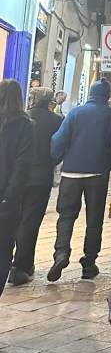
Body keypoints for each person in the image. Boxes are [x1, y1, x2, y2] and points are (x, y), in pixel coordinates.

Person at [47, 77, 111, 281]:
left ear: (90, 93)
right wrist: (108, 164)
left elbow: (58, 139)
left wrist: (58, 157)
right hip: (97, 175)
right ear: (107, 96)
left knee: (66, 215)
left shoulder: (75, 113)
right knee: (94, 218)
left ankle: (61, 252)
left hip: (70, 173)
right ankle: (89, 263)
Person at [7, 87, 62, 286]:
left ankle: (15, 263)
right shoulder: (57, 120)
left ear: (32, 99)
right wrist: (52, 162)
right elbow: (60, 147)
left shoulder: (23, 118)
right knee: (31, 222)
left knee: (15, 219)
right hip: (41, 178)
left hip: (19, 178)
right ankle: (21, 266)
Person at [0, 80, 35, 296]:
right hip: (7, 200)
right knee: (4, 250)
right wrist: (10, 197)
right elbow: (22, 166)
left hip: (7, 198)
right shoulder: (25, 125)